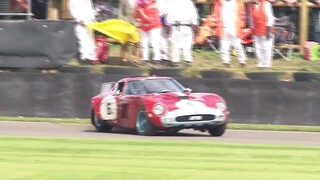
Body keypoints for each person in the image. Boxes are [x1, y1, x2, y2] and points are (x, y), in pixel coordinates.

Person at [212, 0, 247, 68]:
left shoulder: (238, 2)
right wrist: (215, 26)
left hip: (234, 27)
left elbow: (242, 14)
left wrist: (241, 25)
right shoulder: (219, 2)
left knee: (237, 45)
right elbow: (215, 15)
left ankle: (242, 61)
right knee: (224, 46)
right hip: (223, 27)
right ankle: (226, 62)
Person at [166, 0, 199, 67]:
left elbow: (169, 15)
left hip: (177, 26)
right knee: (187, 45)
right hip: (187, 26)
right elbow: (194, 15)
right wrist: (195, 26)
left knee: (175, 44)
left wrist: (168, 27)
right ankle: (188, 60)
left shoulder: (172, 2)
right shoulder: (189, 2)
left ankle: (175, 61)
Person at [68, 0, 99, 65]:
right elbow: (72, 10)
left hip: (89, 22)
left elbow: (90, 9)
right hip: (81, 23)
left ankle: (91, 57)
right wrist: (79, 20)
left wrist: (92, 18)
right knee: (83, 40)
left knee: (90, 41)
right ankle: (84, 57)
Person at [132, 0, 162, 65]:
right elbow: (134, 16)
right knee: (144, 43)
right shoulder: (139, 5)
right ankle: (145, 59)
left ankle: (157, 58)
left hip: (154, 26)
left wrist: (142, 13)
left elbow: (149, 20)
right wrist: (136, 9)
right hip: (144, 27)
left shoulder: (152, 6)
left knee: (154, 43)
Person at [249, 0, 275, 69]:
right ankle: (260, 63)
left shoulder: (266, 4)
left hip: (266, 30)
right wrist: (252, 29)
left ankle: (267, 64)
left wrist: (268, 31)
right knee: (257, 48)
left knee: (266, 48)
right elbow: (251, 19)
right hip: (256, 30)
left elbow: (270, 19)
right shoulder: (251, 5)